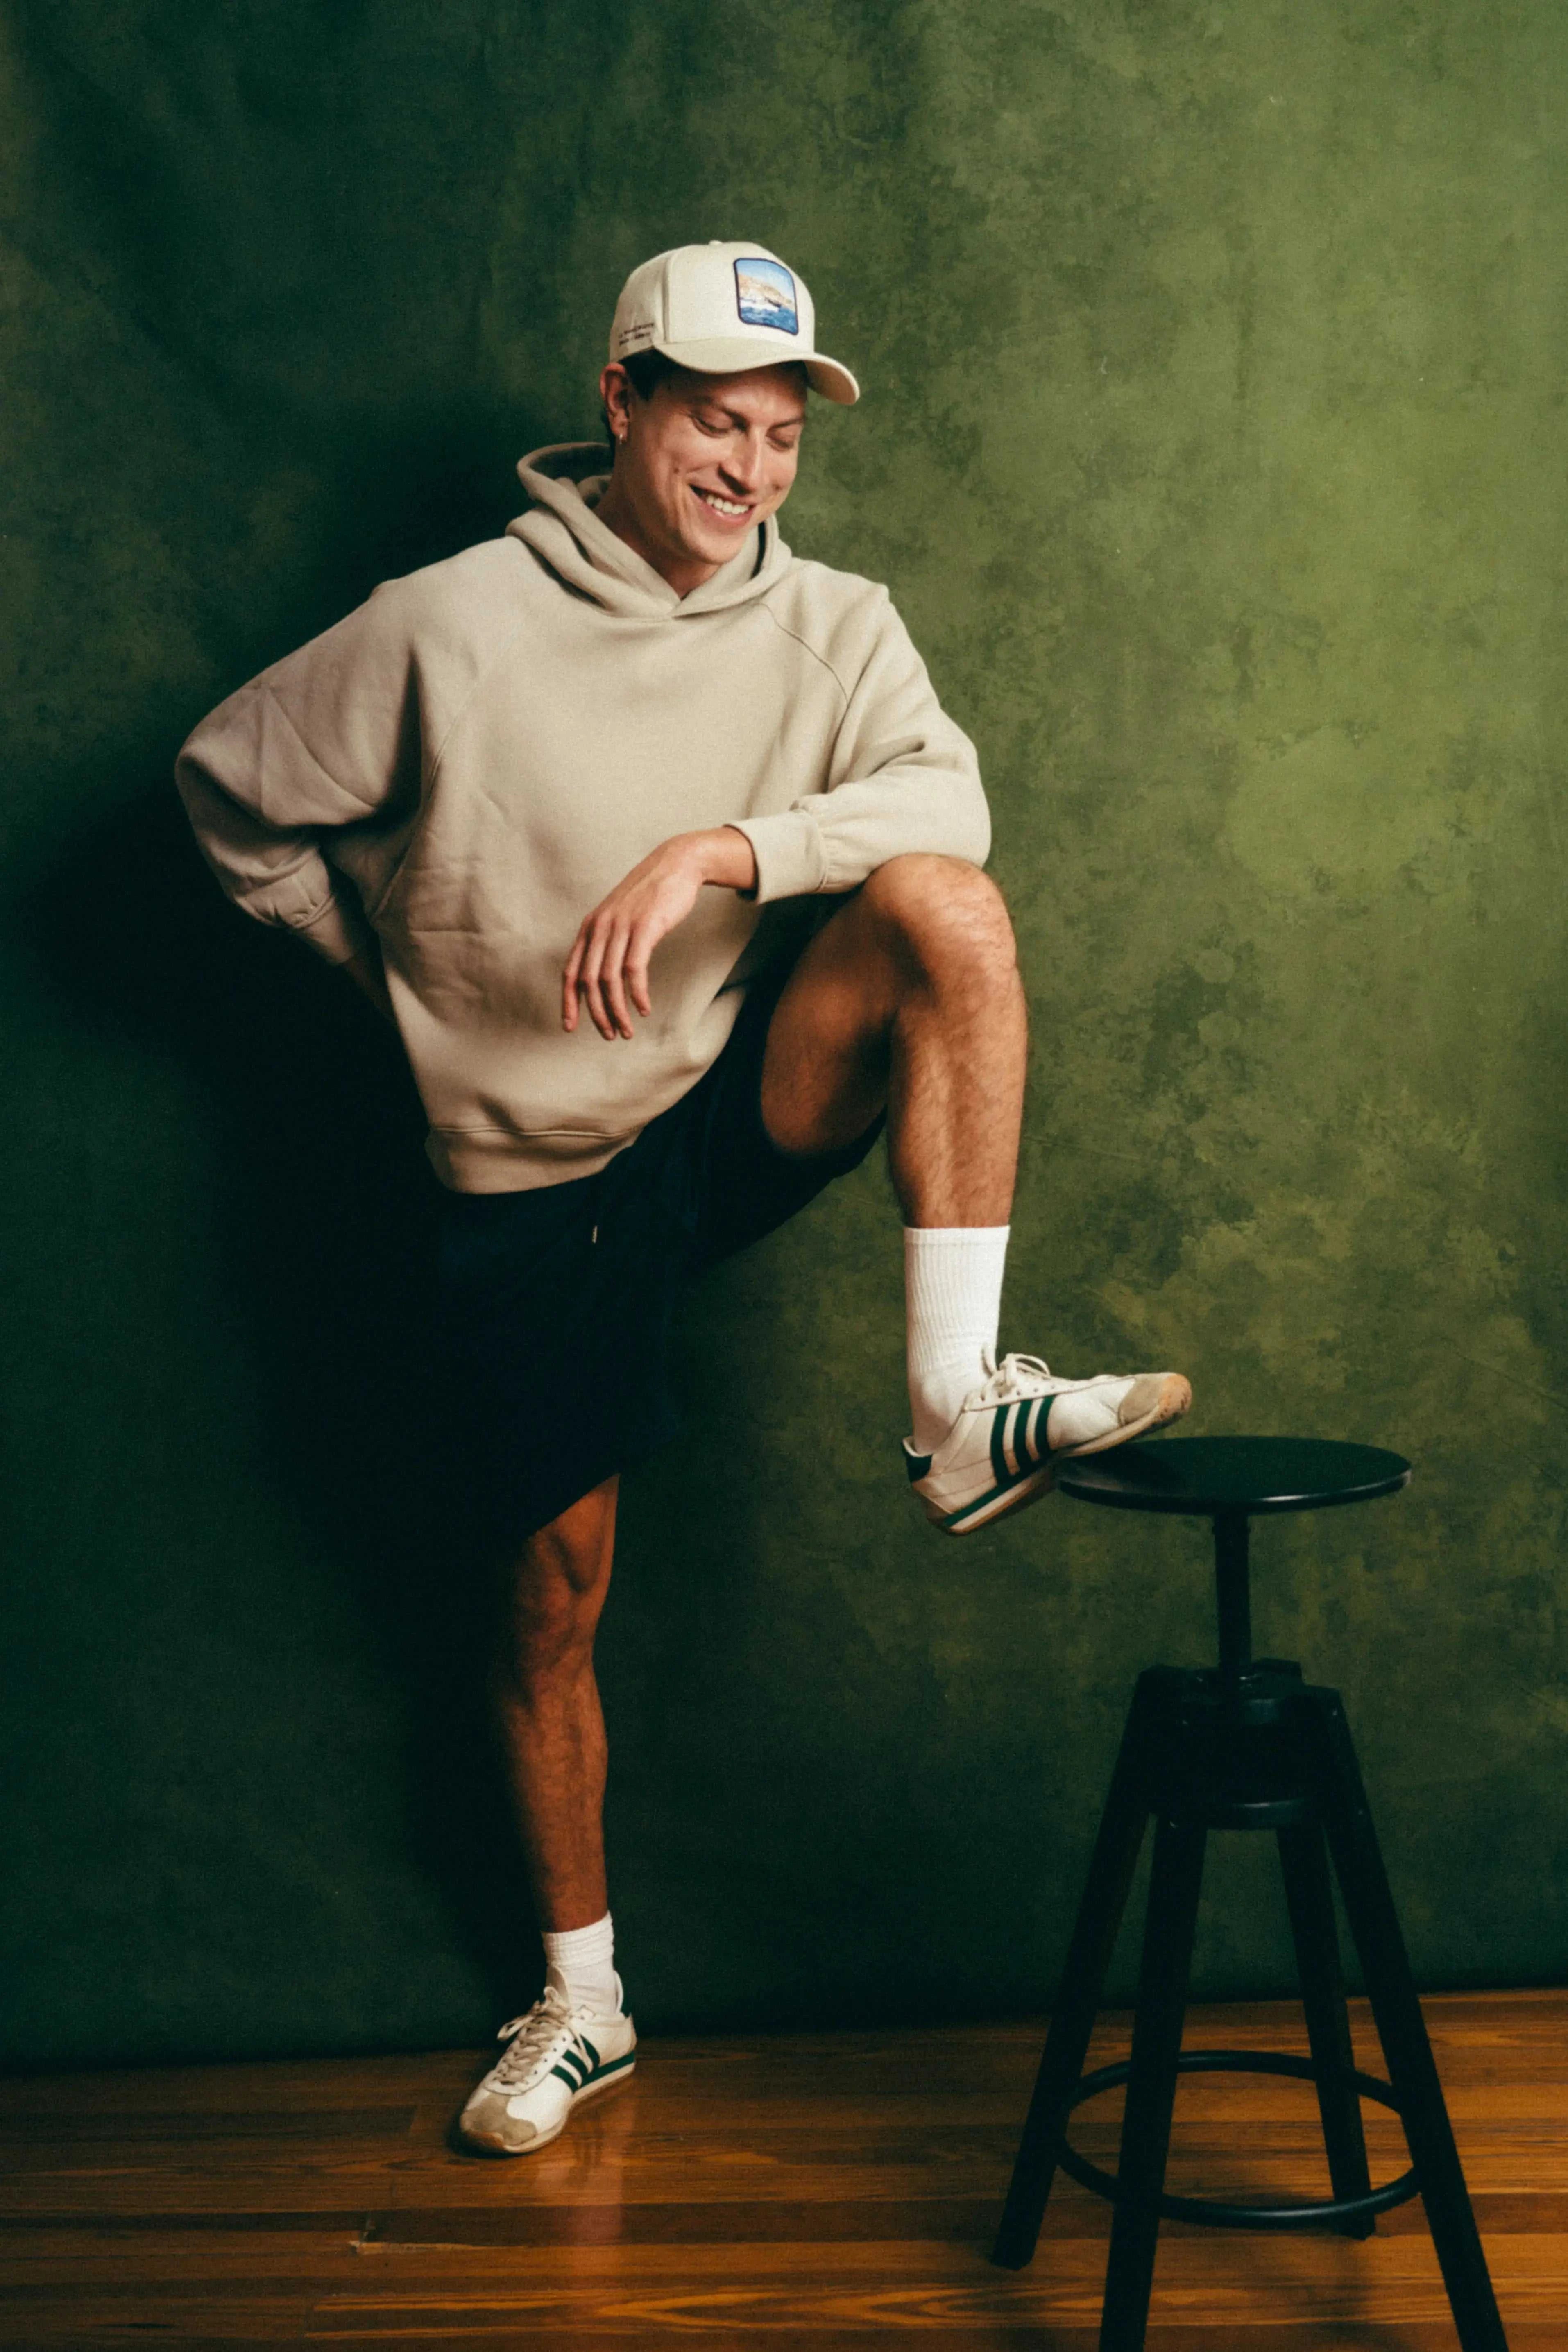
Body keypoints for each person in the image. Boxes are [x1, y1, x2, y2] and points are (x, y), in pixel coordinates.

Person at [176, 240, 1192, 2157]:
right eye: (717, 420)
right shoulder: (445, 622)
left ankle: (957, 1411)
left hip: (718, 1105)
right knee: (550, 1600)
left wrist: (729, 846)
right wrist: (396, 973)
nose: (752, 466)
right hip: (526, 1174)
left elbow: (943, 804)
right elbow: (227, 788)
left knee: (943, 912)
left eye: (784, 428)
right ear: (625, 403)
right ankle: (584, 2001)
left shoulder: (837, 627)